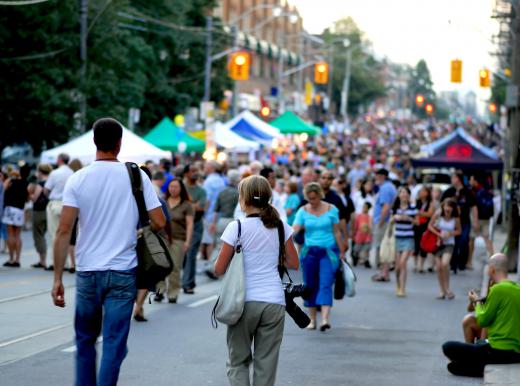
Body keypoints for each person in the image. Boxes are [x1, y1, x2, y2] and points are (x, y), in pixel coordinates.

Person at [51, 118, 166, 386]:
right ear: (119, 143)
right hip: (122, 271)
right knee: (114, 344)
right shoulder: (136, 176)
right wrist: (135, 229)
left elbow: (63, 231)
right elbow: (159, 222)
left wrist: (57, 278)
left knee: (85, 341)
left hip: (87, 272)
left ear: (93, 142)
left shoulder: (77, 179)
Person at [214, 175, 299, 386]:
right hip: (273, 301)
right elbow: (294, 263)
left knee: (238, 361)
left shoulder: (237, 227)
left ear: (243, 198)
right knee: (266, 364)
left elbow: (219, 269)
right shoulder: (280, 227)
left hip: (243, 302)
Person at [442, 253, 520, 377]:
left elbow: (483, 321)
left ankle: (481, 365)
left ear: (492, 269)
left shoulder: (498, 289)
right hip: (516, 354)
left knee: (448, 347)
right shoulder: (517, 289)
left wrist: (476, 302)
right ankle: (481, 367)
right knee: (453, 367)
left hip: (497, 350)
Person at [293, 182, 345, 331]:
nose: (312, 202)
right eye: (309, 199)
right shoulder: (303, 211)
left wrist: (342, 251)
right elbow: (294, 229)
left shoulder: (331, 209)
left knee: (326, 283)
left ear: (320, 196)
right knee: (309, 285)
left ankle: (324, 319)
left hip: (328, 252)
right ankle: (312, 320)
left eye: (314, 198)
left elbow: (337, 232)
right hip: (309, 252)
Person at [133, 166, 172, 322]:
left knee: (134, 274)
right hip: (149, 243)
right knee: (146, 275)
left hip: (129, 241)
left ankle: (138, 306)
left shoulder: (128, 198)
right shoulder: (157, 200)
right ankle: (139, 306)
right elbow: (164, 222)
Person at [155, 178, 193, 303]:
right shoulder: (163, 202)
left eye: (176, 187)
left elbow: (189, 224)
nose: (173, 189)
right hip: (163, 238)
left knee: (175, 267)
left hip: (178, 239)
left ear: (181, 189)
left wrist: (188, 241)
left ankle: (173, 293)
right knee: (160, 265)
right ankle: (159, 291)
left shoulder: (186, 205)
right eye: (171, 186)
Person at [205, 169, 240, 281]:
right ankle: (216, 268)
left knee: (219, 245)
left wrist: (214, 223)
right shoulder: (238, 193)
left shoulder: (222, 192)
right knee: (231, 248)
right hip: (233, 221)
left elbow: (216, 210)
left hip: (221, 220)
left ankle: (211, 265)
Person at [441, 172, 478, 272]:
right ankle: (453, 263)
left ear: (458, 179)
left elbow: (474, 206)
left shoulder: (467, 191)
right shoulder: (449, 191)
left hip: (465, 221)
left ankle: (462, 262)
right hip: (452, 222)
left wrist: (475, 221)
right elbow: (442, 204)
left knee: (463, 240)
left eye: (453, 178)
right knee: (454, 243)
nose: (452, 180)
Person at [44, 153, 73, 271]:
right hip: (69, 204)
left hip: (55, 203)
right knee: (67, 234)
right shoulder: (72, 173)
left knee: (54, 234)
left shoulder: (54, 173)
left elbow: (46, 190)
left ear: (60, 160)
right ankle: (69, 262)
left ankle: (56, 262)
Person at [428, 199, 461, 300]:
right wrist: (439, 234)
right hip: (438, 244)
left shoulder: (455, 219)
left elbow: (459, 231)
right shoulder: (438, 215)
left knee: (445, 264)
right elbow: (429, 226)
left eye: (449, 207)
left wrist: (449, 234)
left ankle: (447, 288)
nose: (447, 209)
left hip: (449, 244)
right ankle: (442, 291)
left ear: (453, 208)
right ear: (442, 207)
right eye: (445, 207)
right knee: (439, 268)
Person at [183, 164, 207, 292]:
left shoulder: (201, 190)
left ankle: (188, 284)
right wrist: (192, 205)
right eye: (192, 171)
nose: (195, 173)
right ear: (186, 173)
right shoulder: (181, 187)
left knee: (191, 253)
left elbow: (201, 207)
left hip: (196, 224)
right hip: (180, 225)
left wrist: (187, 205)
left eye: (197, 171)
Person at [371, 169, 397, 282]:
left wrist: (380, 221)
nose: (375, 179)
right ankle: (384, 272)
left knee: (381, 247)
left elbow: (386, 206)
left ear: (382, 176)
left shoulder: (386, 188)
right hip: (385, 220)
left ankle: (383, 273)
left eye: (376, 176)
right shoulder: (389, 186)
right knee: (384, 246)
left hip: (383, 221)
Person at [392, 187, 418, 297]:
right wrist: (395, 218)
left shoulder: (413, 208)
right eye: (402, 192)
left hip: (408, 238)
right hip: (397, 238)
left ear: (409, 195)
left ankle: (403, 288)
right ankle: (398, 285)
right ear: (399, 195)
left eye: (406, 192)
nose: (404, 194)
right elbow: (390, 220)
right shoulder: (395, 208)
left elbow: (417, 222)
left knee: (403, 263)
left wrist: (409, 218)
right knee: (398, 266)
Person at [2, 170, 29, 267]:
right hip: (20, 210)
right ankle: (17, 259)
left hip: (9, 209)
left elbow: (3, 188)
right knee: (18, 235)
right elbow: (28, 198)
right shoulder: (25, 183)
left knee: (10, 234)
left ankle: (11, 258)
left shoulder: (9, 182)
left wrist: (9, 179)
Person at [200, 161, 225, 261]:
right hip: (219, 214)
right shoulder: (221, 180)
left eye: (206, 166)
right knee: (215, 242)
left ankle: (210, 266)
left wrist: (202, 213)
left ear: (212, 168)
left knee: (209, 240)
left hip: (209, 215)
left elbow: (207, 200)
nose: (204, 168)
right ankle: (215, 264)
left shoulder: (209, 181)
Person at [28, 164, 52, 268]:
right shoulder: (50, 182)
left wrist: (30, 194)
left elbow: (34, 199)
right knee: (43, 234)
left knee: (38, 235)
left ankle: (42, 260)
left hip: (38, 211)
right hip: (47, 210)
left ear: (40, 172)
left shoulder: (40, 184)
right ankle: (43, 260)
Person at [468, 175, 494, 269]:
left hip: (477, 219)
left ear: (475, 181)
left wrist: (475, 221)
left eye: (471, 179)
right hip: (486, 218)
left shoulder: (475, 192)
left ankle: (469, 261)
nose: (470, 181)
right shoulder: (486, 190)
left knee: (471, 239)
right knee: (487, 239)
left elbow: (474, 207)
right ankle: (493, 260)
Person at [414, 186, 434, 273]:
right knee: (416, 244)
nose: (422, 193)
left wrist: (420, 213)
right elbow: (414, 212)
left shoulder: (430, 203)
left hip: (425, 226)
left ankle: (421, 265)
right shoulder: (417, 201)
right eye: (421, 191)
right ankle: (415, 264)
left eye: (424, 191)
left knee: (423, 245)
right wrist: (421, 214)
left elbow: (430, 214)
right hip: (417, 225)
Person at [353, 202, 373, 267]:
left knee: (366, 249)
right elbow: (356, 226)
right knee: (357, 249)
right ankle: (355, 258)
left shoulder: (369, 217)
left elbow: (370, 226)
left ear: (368, 209)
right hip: (359, 235)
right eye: (364, 207)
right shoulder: (359, 216)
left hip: (367, 235)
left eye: (366, 207)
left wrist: (370, 234)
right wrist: (354, 234)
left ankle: (366, 260)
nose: (364, 208)